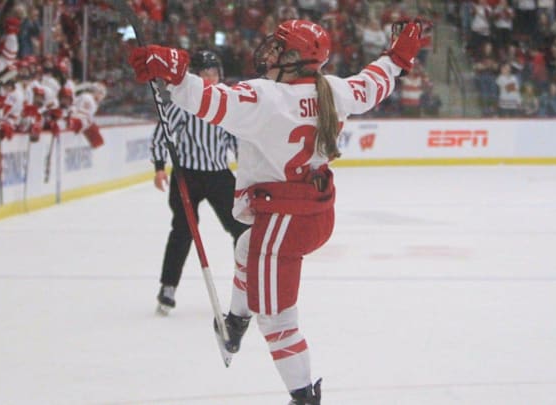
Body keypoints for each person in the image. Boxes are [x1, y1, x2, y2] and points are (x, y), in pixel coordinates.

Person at [128, 18, 424, 404]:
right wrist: (397, 57)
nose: (269, 52)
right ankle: (236, 321)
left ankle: (303, 397)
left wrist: (176, 74)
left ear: (296, 58)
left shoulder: (264, 97)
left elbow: (209, 100)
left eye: (279, 48)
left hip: (283, 221)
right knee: (244, 246)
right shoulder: (334, 90)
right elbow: (373, 83)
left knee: (278, 321)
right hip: (316, 214)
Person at [150, 50, 249, 315]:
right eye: (204, 73)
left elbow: (237, 138)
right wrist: (160, 166)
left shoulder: (228, 101)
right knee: (182, 230)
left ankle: (246, 287)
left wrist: (249, 169)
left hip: (219, 176)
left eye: (213, 73)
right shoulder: (186, 101)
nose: (209, 78)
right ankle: (168, 287)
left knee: (242, 230)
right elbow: (164, 132)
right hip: (187, 176)